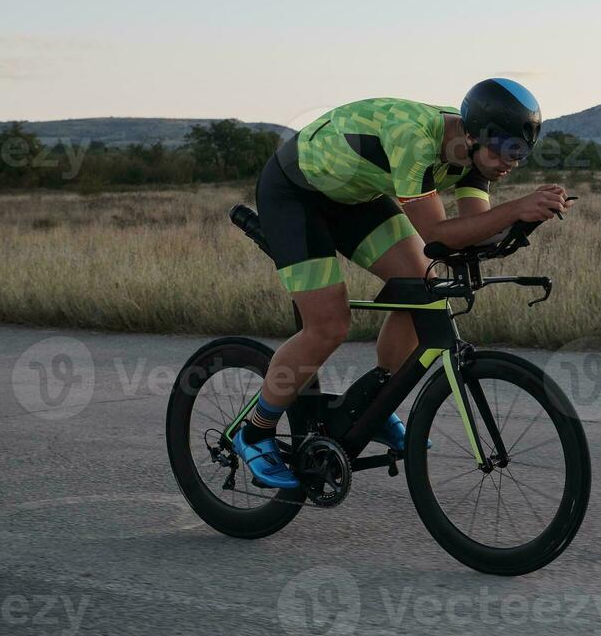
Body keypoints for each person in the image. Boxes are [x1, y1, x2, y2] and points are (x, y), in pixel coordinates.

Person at [232, 78, 571, 488]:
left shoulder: (475, 160)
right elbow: (439, 236)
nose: (511, 163)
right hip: (295, 192)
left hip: (354, 197)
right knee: (328, 325)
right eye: (505, 150)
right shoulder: (415, 138)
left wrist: (521, 221)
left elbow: (472, 233)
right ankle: (254, 433)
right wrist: (516, 206)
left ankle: (373, 404)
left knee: (420, 285)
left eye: (520, 153)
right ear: (473, 136)